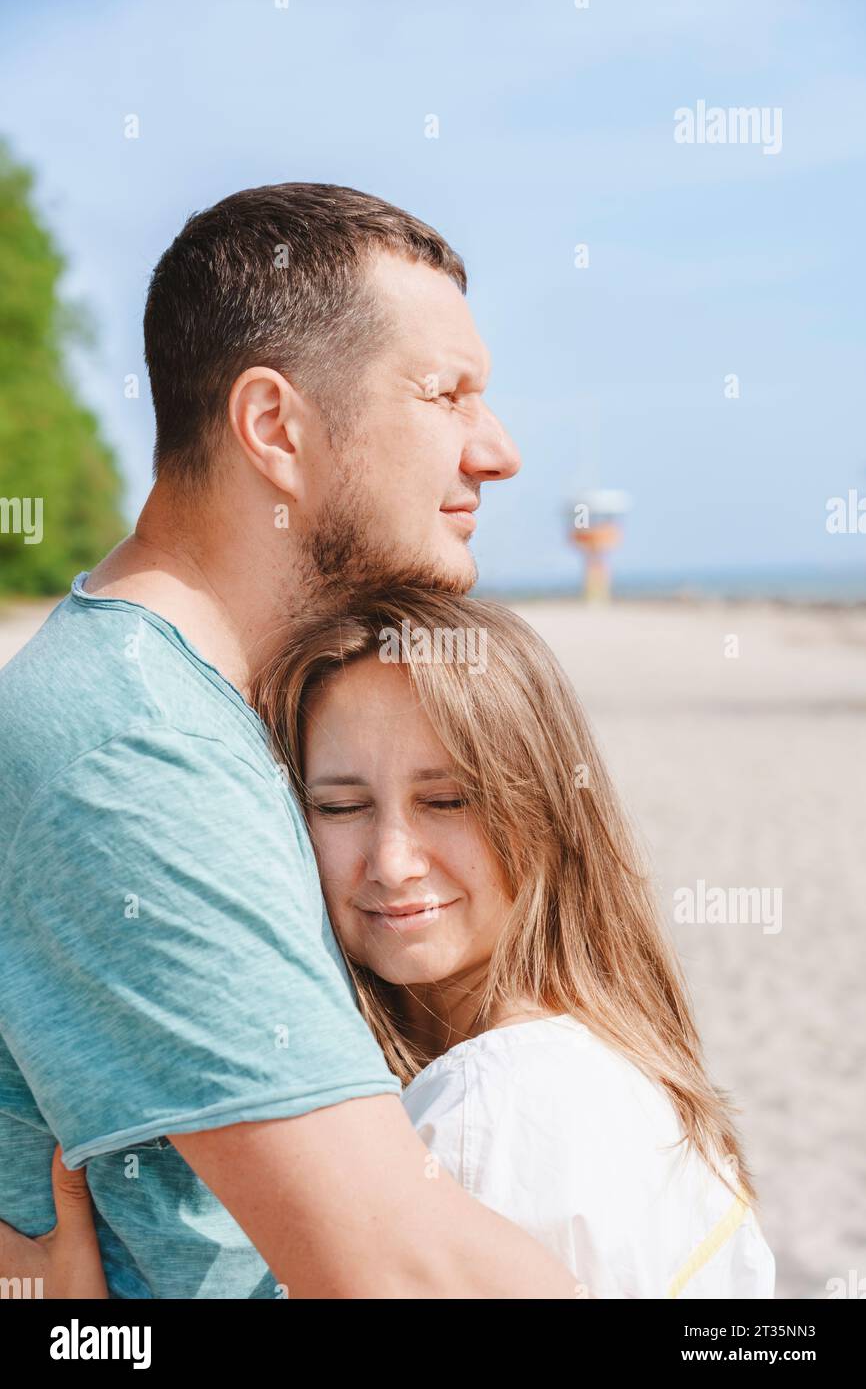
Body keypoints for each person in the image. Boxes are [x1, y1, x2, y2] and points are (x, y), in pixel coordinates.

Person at [0, 183, 580, 1299]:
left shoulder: (209, 706)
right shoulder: (128, 747)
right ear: (274, 427)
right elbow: (405, 1275)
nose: (496, 452)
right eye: (445, 394)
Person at [5, 587, 776, 1298]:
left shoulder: (490, 1110)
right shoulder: (623, 1068)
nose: (394, 861)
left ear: (547, 813)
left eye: (447, 799)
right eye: (340, 807)